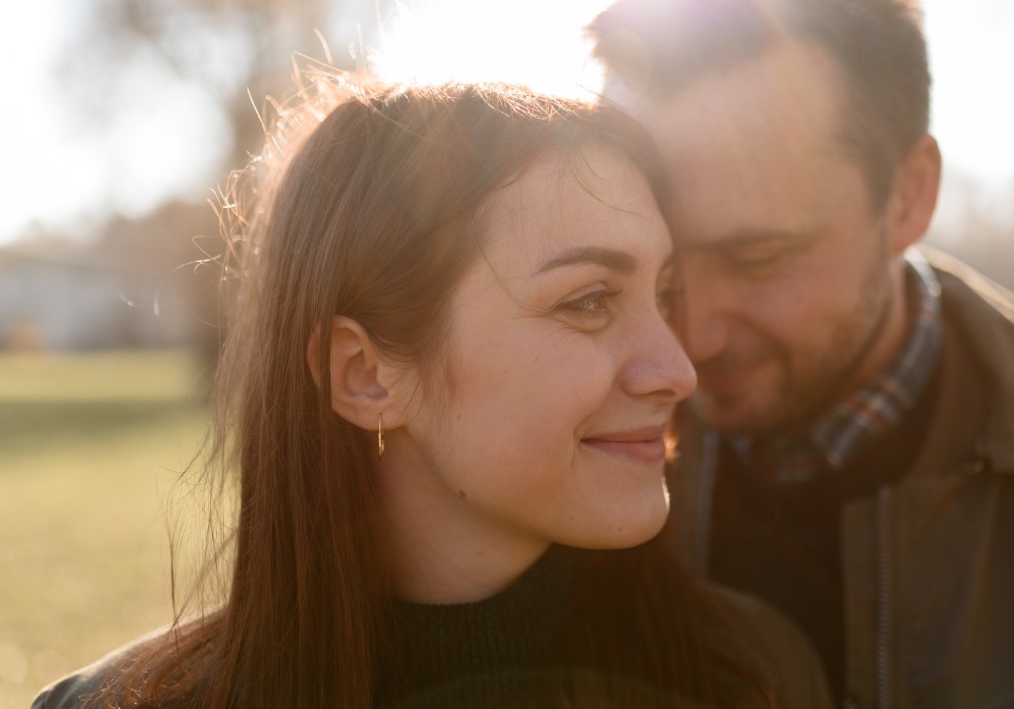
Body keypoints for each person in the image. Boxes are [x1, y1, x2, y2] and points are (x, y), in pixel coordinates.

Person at [33, 79, 834, 708]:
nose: (677, 368)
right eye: (589, 300)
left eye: (664, 293)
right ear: (366, 374)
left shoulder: (757, 679)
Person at [587, 0, 1014, 709]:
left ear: (909, 195)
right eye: (662, 267)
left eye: (760, 258)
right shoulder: (558, 469)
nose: (692, 338)